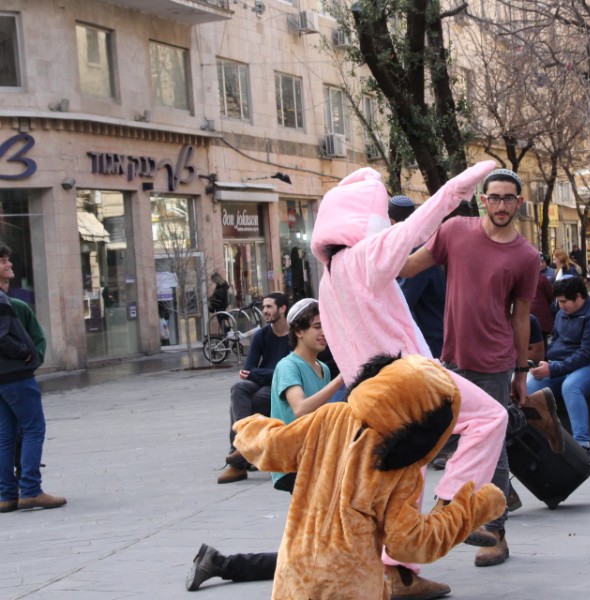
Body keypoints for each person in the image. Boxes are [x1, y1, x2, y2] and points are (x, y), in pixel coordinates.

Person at [311, 162, 520, 596]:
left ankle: (398, 573)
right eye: (381, 214)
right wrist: (460, 186)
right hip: (410, 378)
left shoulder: (328, 280)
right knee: (490, 419)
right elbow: (419, 225)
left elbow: (338, 345)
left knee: (412, 469)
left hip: (371, 393)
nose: (386, 222)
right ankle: (453, 511)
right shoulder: (366, 256)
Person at [232, 353, 506, 600]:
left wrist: (248, 427)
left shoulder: (328, 417)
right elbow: (410, 543)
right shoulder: (399, 468)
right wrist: (471, 509)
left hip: (296, 574)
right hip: (353, 583)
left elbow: (271, 446)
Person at [402, 167, 545, 568]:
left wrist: (520, 372)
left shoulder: (526, 256)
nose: (501, 205)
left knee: (493, 446)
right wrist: (369, 257)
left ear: (519, 203)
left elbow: (520, 318)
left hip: (495, 362)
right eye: (494, 197)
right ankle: (450, 515)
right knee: (439, 438)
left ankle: (495, 531)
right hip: (451, 359)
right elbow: (411, 265)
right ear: (482, 199)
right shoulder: (455, 231)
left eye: (508, 199)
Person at [186, 299, 344, 591]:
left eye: (327, 327)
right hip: (297, 464)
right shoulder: (288, 366)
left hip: (320, 462)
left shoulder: (322, 367)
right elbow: (300, 409)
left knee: (313, 549)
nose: (324, 333)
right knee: (314, 547)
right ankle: (222, 563)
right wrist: (341, 381)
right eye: (318, 327)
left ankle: (219, 562)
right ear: (298, 331)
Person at [0, 244, 64, 513]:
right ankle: (31, 490)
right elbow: (2, 337)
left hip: (3, 379)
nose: (8, 263)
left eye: (7, 258)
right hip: (14, 375)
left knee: (5, 435)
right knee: (33, 429)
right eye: (2, 260)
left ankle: (6, 495)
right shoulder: (3, 302)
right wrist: (26, 353)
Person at [527, 276, 590, 453]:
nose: (560, 306)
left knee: (571, 386)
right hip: (563, 364)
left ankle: (582, 443)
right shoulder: (562, 313)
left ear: (578, 296)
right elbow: (557, 342)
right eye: (558, 302)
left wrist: (552, 369)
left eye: (564, 301)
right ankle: (539, 439)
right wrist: (547, 361)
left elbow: (586, 354)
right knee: (531, 387)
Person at [218, 292, 291, 484]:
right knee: (238, 389)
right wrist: (264, 373)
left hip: (281, 385)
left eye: (269, 307)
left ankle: (238, 459)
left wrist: (260, 373)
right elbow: (248, 369)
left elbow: (284, 372)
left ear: (282, 309)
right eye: (264, 307)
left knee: (251, 401)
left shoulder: (294, 336)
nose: (265, 311)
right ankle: (244, 447)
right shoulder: (261, 335)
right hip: (262, 382)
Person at [390, 194, 447, 358]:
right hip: (429, 341)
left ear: (392, 223)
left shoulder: (416, 251)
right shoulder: (418, 246)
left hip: (430, 344)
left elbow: (401, 300)